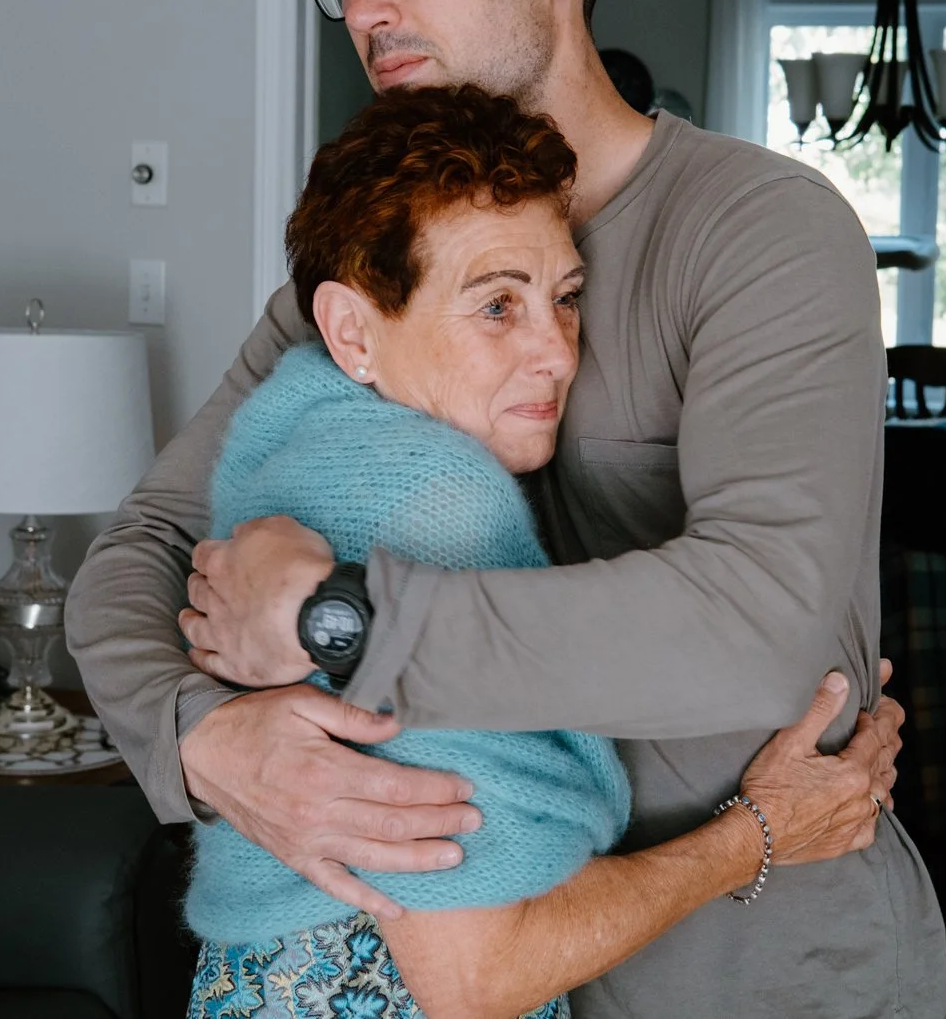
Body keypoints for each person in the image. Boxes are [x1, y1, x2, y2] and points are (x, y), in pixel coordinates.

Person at [67, 0, 946, 1015]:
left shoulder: (759, 230)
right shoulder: (356, 278)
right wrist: (203, 740)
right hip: (495, 950)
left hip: (755, 953)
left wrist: (350, 626)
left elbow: (762, 626)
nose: (364, 4)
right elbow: (141, 550)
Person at [187, 83, 892, 1019]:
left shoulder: (304, 447)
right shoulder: (426, 502)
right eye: (496, 307)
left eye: (563, 297)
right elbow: (481, 975)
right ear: (353, 331)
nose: (558, 353)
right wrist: (761, 830)